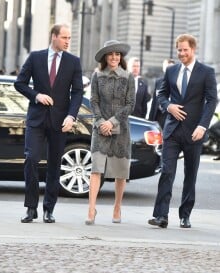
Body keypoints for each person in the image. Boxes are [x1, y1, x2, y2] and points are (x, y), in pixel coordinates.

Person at [14, 24, 83, 223]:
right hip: (36, 119)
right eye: (64, 37)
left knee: (54, 165)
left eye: (69, 38)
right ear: (53, 36)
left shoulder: (73, 62)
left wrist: (71, 116)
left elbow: (77, 92)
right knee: (31, 159)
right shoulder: (35, 57)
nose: (68, 41)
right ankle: (30, 208)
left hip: (60, 121)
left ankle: (49, 209)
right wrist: (36, 95)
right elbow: (19, 83)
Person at [148, 34, 217, 229]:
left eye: (185, 50)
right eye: (179, 49)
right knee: (167, 172)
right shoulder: (171, 71)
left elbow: (212, 100)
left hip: (195, 131)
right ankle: (161, 216)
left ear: (193, 49)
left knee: (190, 175)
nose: (181, 53)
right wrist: (168, 106)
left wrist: (203, 126)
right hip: (172, 131)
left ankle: (185, 215)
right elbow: (161, 94)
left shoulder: (206, 72)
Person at [85, 40, 135, 225]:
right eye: (111, 54)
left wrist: (112, 122)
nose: (114, 57)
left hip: (121, 129)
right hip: (100, 129)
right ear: (105, 57)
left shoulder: (128, 77)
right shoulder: (97, 76)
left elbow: (130, 104)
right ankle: (91, 209)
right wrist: (100, 123)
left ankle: (117, 207)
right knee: (96, 168)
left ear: (121, 57)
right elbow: (93, 101)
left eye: (118, 54)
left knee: (120, 171)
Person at [149, 58, 175, 128]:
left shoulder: (178, 83)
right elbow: (154, 102)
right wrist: (150, 120)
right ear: (163, 68)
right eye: (167, 68)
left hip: (171, 117)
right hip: (158, 117)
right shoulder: (158, 81)